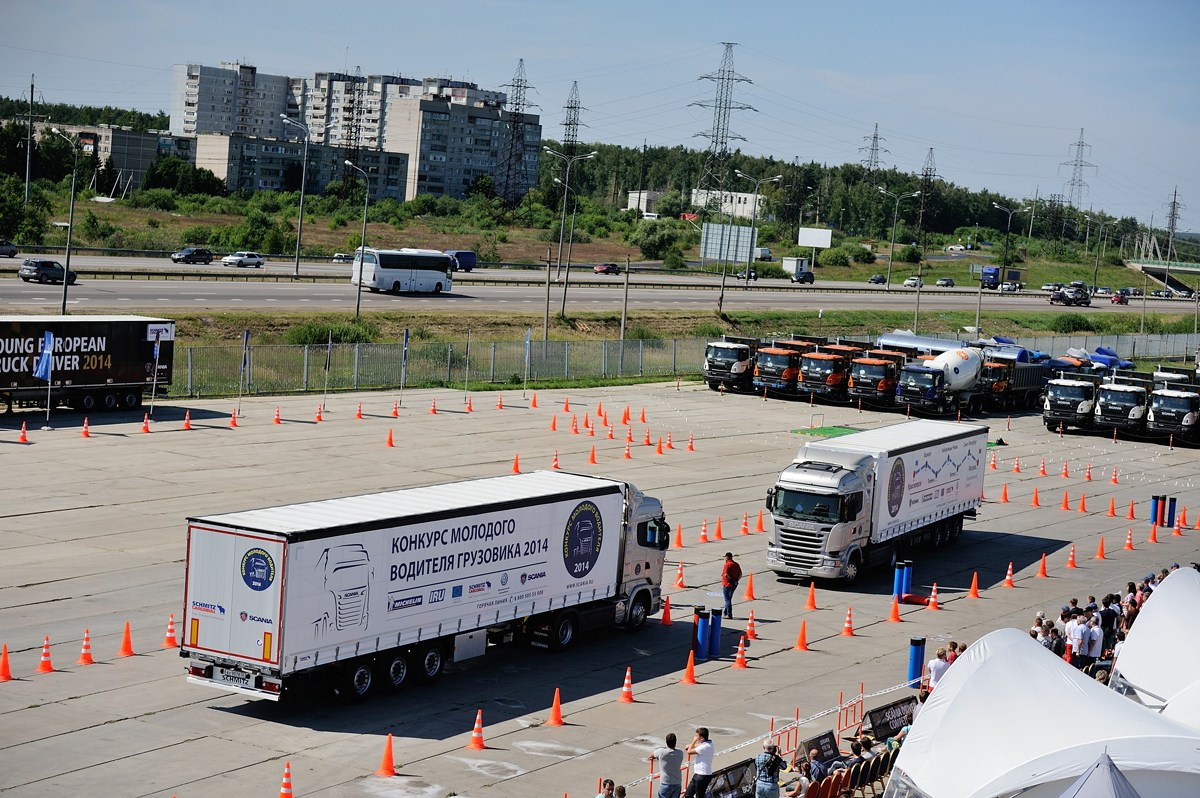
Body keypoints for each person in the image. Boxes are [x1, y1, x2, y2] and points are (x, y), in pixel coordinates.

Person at [649, 733, 684, 798]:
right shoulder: (680, 753)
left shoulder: (661, 752)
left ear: (666, 742)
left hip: (666, 783)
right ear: (675, 741)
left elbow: (651, 754)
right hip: (677, 782)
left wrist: (657, 757)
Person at [684, 728, 714, 798]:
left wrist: (693, 741)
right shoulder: (709, 743)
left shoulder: (704, 747)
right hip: (698, 775)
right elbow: (699, 745)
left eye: (697, 736)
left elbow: (689, 751)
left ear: (701, 738)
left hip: (702, 775)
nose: (696, 737)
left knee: (699, 796)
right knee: (688, 794)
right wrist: (691, 745)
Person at [721, 553, 742, 619]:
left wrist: (731, 580)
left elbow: (726, 574)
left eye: (725, 557)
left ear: (727, 557)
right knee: (729, 599)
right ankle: (725, 612)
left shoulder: (727, 565)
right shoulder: (736, 564)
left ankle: (729, 614)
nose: (724, 558)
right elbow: (740, 574)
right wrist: (736, 581)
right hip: (734, 585)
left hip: (727, 584)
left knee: (727, 600)